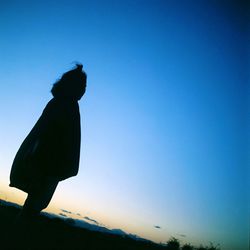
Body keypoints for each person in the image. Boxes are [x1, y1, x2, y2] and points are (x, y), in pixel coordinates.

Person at [9, 64, 87, 219]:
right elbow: (48, 135)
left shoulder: (65, 103)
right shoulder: (65, 104)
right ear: (73, 86)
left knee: (34, 203)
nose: (84, 90)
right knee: (34, 204)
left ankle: (18, 230)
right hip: (47, 162)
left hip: (48, 162)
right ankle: (16, 235)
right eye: (82, 85)